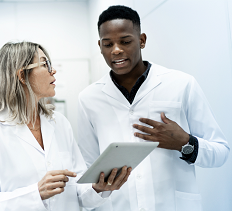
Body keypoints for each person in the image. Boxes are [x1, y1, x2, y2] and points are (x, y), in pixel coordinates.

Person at [77, 5, 230, 211]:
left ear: (142, 40)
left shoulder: (182, 84)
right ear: (100, 46)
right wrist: (98, 188)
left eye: (125, 41)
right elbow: (88, 170)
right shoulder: (89, 98)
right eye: (108, 44)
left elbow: (221, 152)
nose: (116, 50)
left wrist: (186, 143)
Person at [0, 41, 132, 211]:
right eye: (45, 64)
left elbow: (78, 188)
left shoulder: (59, 123)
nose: (52, 70)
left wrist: (98, 188)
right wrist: (36, 193)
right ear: (22, 76)